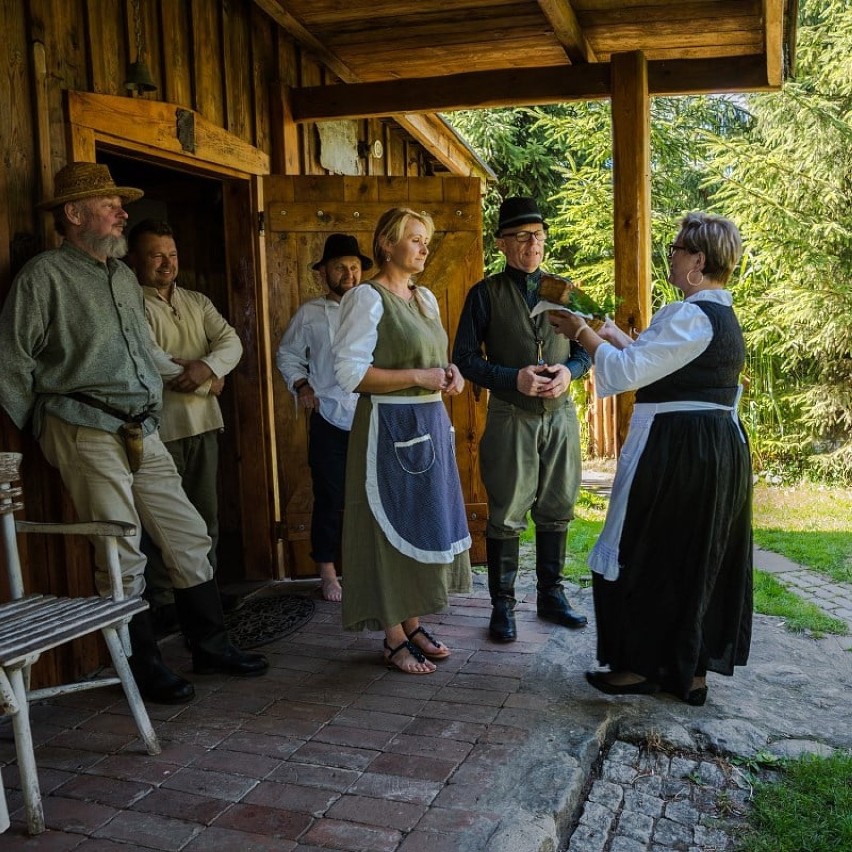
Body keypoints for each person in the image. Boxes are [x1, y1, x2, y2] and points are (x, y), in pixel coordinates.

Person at [0, 162, 268, 706]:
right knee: (120, 546)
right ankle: (140, 666)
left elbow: (145, 355)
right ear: (74, 215)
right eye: (109, 205)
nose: (123, 212)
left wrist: (199, 374)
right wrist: (43, 425)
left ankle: (211, 646)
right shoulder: (44, 276)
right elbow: (11, 362)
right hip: (82, 427)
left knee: (188, 533)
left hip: (143, 427)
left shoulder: (122, 276)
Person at [548, 211, 753, 706]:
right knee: (692, 552)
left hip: (680, 449)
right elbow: (653, 360)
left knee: (649, 547)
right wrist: (610, 333)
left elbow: (623, 374)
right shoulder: (714, 314)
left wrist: (581, 333)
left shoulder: (690, 315)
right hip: (710, 447)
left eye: (678, 249)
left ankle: (641, 666)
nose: (673, 255)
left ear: (697, 262)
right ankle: (686, 669)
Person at [333, 207, 471, 675]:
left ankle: (411, 623)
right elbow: (350, 374)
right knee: (384, 527)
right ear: (387, 245)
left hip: (428, 424)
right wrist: (420, 375)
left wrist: (451, 378)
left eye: (425, 239)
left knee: (418, 521)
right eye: (414, 238)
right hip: (388, 429)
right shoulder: (366, 299)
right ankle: (393, 637)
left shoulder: (425, 298)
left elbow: (435, 360)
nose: (423, 247)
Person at [452, 196, 591, 644]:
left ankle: (551, 596)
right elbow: (465, 360)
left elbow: (589, 345)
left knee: (558, 506)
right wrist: (514, 378)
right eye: (523, 236)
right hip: (511, 415)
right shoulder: (484, 294)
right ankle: (503, 606)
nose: (534, 244)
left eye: (539, 235)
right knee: (507, 511)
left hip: (561, 415)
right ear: (502, 243)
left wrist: (571, 371)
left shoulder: (564, 290)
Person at [126, 219, 242, 631]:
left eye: (171, 254)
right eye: (155, 255)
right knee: (162, 521)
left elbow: (231, 342)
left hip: (204, 425)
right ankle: (163, 602)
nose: (166, 263)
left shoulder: (196, 300)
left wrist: (208, 367)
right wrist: (211, 381)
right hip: (160, 430)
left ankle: (204, 592)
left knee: (203, 515)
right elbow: (155, 363)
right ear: (134, 259)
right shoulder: (131, 303)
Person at [276, 233, 373, 602]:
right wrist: (302, 385)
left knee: (373, 495)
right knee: (330, 496)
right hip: (329, 417)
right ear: (323, 273)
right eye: (339, 268)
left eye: (354, 267)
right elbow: (287, 354)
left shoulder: (375, 307)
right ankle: (328, 572)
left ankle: (369, 568)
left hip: (371, 413)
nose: (348, 274)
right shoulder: (310, 314)